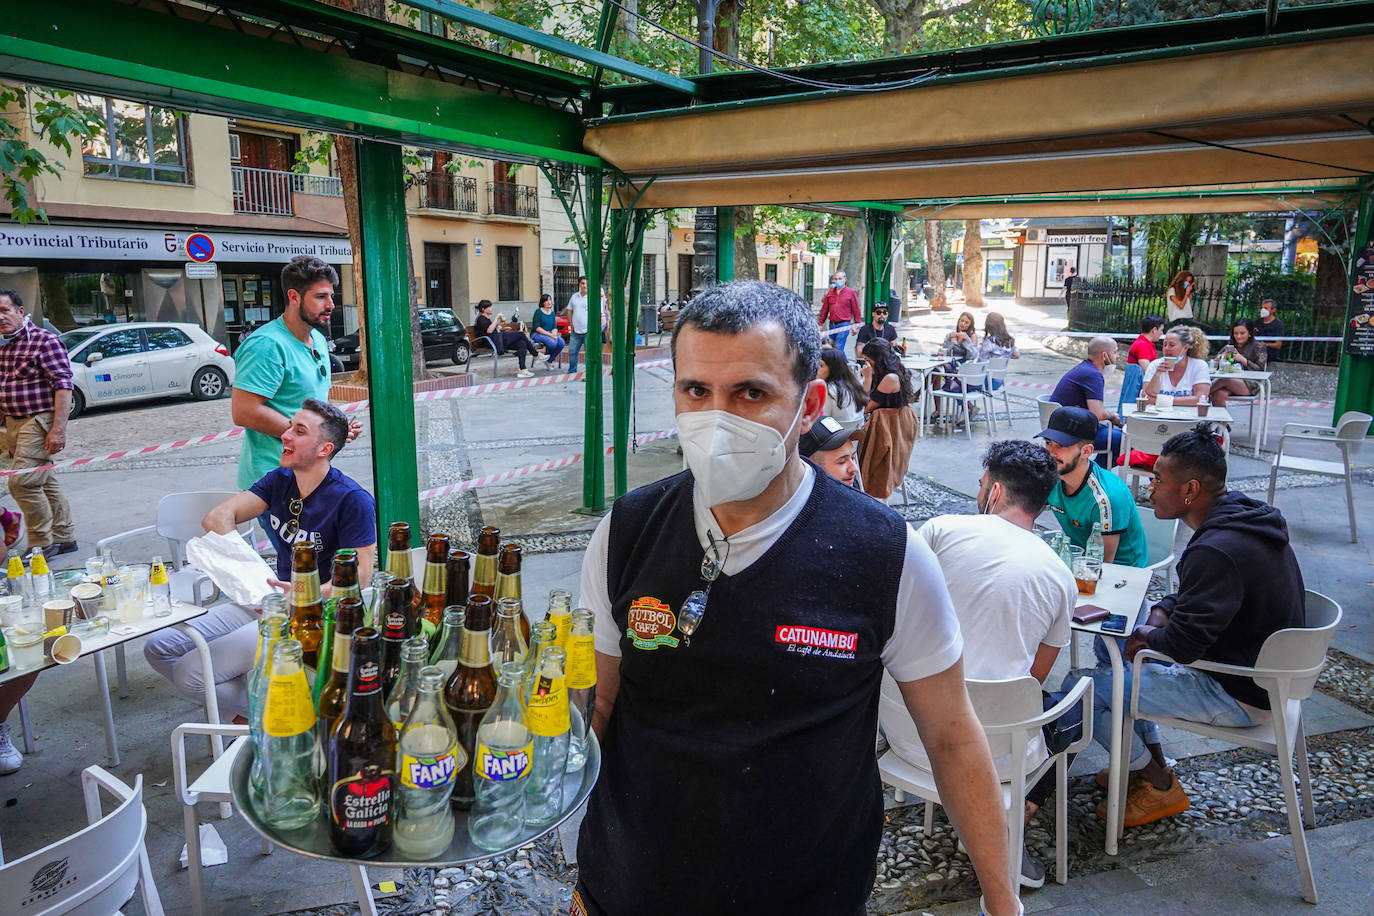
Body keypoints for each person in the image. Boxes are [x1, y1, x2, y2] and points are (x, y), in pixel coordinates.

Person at [574, 280, 1019, 916]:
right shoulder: (627, 531)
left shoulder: (884, 552)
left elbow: (950, 735)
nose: (717, 418)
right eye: (696, 391)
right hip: (631, 884)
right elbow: (600, 701)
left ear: (809, 404)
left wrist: (1003, 903)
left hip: (809, 892)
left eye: (750, 393)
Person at [1064, 423, 1305, 826]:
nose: (1150, 488)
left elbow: (1183, 646)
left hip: (1238, 691)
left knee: (1085, 689)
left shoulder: (1217, 548)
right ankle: (1147, 764)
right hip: (1265, 678)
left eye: (1158, 480)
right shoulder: (1240, 518)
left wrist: (1147, 634)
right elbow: (1206, 594)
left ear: (1190, 490)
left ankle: (1157, 783)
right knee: (1125, 671)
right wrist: (1162, 611)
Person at [144, 399, 377, 721]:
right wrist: (249, 575)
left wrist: (306, 593)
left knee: (190, 673)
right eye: (289, 427)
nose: (285, 435)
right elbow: (218, 517)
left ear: (325, 449)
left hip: (314, 615)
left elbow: (362, 577)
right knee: (158, 646)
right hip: (266, 598)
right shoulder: (279, 480)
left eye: (299, 430)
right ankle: (257, 708)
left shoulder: (353, 500)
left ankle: (284, 718)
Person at [913, 440, 1077, 887]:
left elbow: (899, 622)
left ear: (997, 491)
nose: (980, 490)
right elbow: (1034, 678)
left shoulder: (940, 530)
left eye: (982, 482)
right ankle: (1008, 818)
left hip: (912, 733)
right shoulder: (1059, 575)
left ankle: (990, 818)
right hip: (1000, 754)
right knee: (1078, 706)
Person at [232, 255, 362, 492]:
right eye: (320, 297)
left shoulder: (319, 340)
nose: (331, 304)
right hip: (275, 481)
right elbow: (244, 411)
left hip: (311, 475)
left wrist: (335, 429)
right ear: (294, 297)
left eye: (331, 296)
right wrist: (310, 434)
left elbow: (314, 401)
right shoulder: (267, 345)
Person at [0, 289, 76, 560]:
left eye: (4, 310)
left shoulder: (44, 341)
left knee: (21, 482)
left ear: (20, 311)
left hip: (38, 420)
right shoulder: (4, 345)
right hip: (12, 422)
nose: (0, 317)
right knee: (44, 482)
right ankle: (65, 537)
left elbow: (63, 385)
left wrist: (58, 428)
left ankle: (41, 543)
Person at [1039, 407, 1148, 567]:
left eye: (1061, 445)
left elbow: (1102, 565)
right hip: (1077, 558)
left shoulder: (1106, 497)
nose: (1051, 452)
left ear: (1086, 451)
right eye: (1049, 443)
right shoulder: (1051, 475)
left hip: (1122, 572)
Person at [858, 338, 918, 501]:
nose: (865, 364)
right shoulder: (893, 370)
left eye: (867, 360)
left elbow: (865, 407)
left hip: (887, 430)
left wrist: (867, 378)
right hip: (892, 426)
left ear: (877, 360)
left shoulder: (890, 378)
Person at [1049, 335, 1122, 467]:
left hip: (1062, 427)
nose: (1117, 356)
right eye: (1115, 352)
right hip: (1070, 433)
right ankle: (1093, 475)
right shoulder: (1093, 375)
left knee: (1115, 434)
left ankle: (1089, 472)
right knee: (1124, 440)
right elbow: (1098, 415)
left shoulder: (1085, 369)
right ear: (1104, 356)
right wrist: (1113, 417)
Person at [1143, 325, 1211, 407]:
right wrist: (1157, 375)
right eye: (1165, 344)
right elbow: (1146, 397)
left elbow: (1200, 399)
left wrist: (1163, 400)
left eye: (1171, 345)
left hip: (1189, 417)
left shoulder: (1199, 366)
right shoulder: (1155, 365)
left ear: (1185, 348)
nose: (1166, 348)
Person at [473, 299, 538, 379]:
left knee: (522, 343)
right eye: (489, 307)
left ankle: (523, 369)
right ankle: (536, 354)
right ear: (483, 309)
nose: (491, 308)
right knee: (521, 334)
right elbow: (489, 331)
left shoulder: (486, 319)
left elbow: (492, 331)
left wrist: (498, 327)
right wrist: (496, 318)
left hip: (497, 340)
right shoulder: (481, 319)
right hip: (492, 342)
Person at [1209, 318, 1267, 407]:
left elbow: (1260, 370)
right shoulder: (1230, 346)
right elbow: (1214, 365)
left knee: (1225, 379)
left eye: (1242, 333)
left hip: (1250, 384)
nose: (1238, 336)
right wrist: (1221, 358)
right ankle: (1223, 421)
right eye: (1236, 333)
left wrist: (1243, 360)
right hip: (1230, 381)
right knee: (1218, 394)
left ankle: (1200, 394)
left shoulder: (1258, 348)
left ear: (1249, 333)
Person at [799, 414, 862, 489]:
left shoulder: (852, 485)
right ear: (811, 466)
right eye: (842, 462)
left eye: (853, 458)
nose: (854, 468)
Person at [1119, 316, 1164, 413]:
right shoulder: (1143, 345)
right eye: (1161, 330)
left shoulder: (1144, 343)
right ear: (1154, 330)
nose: (1162, 333)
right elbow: (1148, 370)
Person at [565, 276, 607, 374]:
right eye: (583, 283)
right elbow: (569, 310)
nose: (585, 285)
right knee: (572, 351)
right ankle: (572, 371)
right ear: (579, 284)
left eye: (587, 283)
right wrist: (571, 323)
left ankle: (590, 373)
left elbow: (600, 315)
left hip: (589, 331)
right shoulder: (574, 296)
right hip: (576, 331)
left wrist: (598, 330)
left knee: (589, 354)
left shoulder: (594, 297)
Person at [817, 348, 866, 427]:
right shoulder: (854, 384)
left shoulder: (829, 390)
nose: (816, 369)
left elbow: (821, 420)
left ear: (833, 368)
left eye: (820, 365)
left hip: (836, 435)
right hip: (855, 434)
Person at [818, 269, 862, 354]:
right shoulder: (830, 293)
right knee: (832, 348)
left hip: (844, 324)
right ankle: (847, 366)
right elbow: (824, 310)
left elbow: (856, 309)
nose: (838, 281)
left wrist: (856, 325)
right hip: (832, 324)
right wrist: (820, 323)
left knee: (838, 348)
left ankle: (843, 366)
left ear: (845, 279)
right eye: (836, 279)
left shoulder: (851, 292)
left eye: (840, 279)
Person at [530, 293, 566, 366]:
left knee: (561, 342)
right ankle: (546, 358)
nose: (549, 302)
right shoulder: (538, 312)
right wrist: (550, 335)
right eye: (546, 300)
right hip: (538, 334)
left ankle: (549, 360)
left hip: (549, 334)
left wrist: (554, 334)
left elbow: (554, 327)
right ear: (543, 302)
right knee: (552, 343)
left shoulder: (552, 313)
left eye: (550, 300)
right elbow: (537, 328)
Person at [1258, 298, 1286, 362]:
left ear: (1273, 310)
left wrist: (1265, 344)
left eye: (1266, 308)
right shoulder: (1257, 322)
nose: (1262, 310)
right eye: (1262, 308)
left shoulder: (1278, 324)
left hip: (1270, 353)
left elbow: (1278, 345)